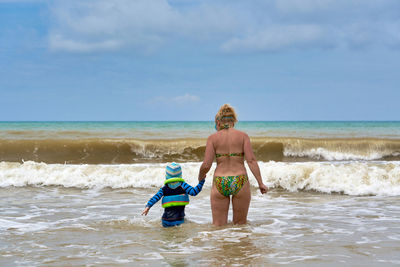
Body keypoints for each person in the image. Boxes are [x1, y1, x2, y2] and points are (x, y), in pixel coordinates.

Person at [198, 104, 268, 226]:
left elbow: (206, 164)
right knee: (240, 225)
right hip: (240, 179)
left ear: (218, 122)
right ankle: (238, 244)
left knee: (218, 226)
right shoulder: (243, 136)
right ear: (233, 122)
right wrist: (260, 183)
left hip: (220, 180)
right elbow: (251, 160)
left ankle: (223, 244)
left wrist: (200, 176)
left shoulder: (212, 138)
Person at [142, 162, 205, 227]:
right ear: (180, 174)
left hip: (165, 220)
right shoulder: (183, 185)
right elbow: (194, 192)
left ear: (167, 175)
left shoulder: (164, 188)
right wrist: (202, 181)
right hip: (178, 220)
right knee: (179, 236)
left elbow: (156, 197)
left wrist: (148, 206)